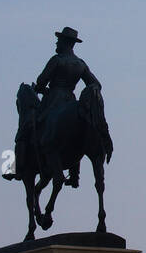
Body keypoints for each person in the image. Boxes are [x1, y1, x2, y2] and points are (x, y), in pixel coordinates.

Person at [35, 26, 101, 187]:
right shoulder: (80, 64)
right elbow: (96, 84)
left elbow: (41, 81)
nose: (56, 43)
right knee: (75, 131)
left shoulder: (57, 60)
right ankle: (74, 175)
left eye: (58, 40)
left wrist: (40, 89)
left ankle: (19, 165)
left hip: (53, 99)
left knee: (31, 124)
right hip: (71, 100)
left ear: (65, 42)